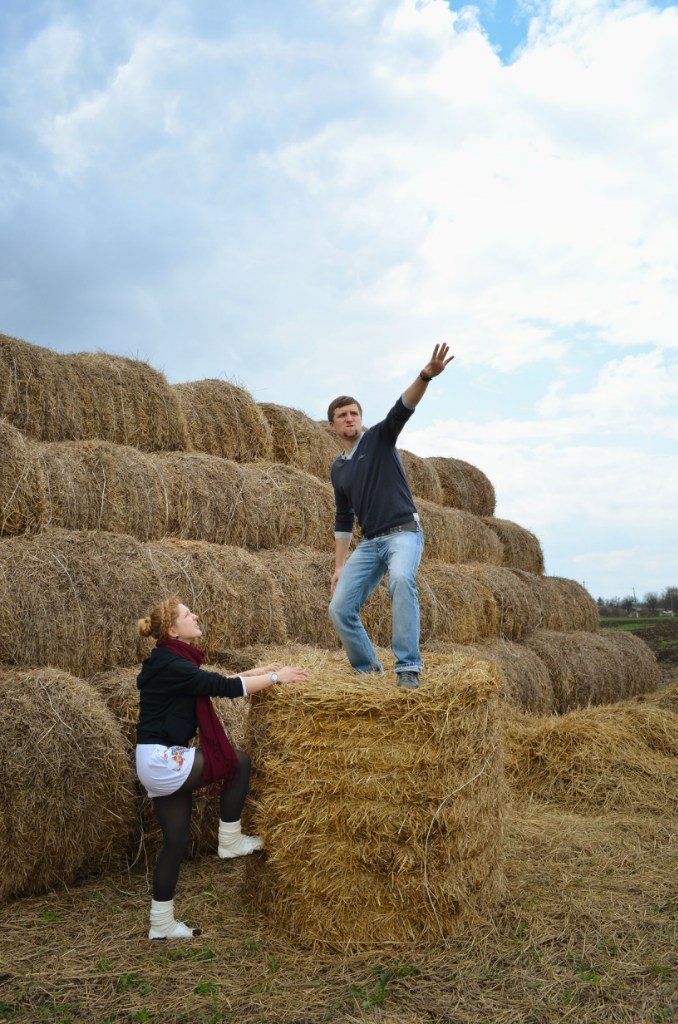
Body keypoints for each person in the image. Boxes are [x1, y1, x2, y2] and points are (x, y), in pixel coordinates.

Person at [136, 595, 307, 940]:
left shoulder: (170, 661)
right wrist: (277, 676)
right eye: (188, 614)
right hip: (161, 760)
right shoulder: (173, 664)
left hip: (154, 759)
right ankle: (230, 840)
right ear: (173, 629)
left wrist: (256, 673)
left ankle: (161, 924)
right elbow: (226, 689)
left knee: (176, 842)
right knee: (237, 762)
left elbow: (209, 683)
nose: (195, 616)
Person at [327, 342, 454, 688]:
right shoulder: (338, 469)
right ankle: (368, 672)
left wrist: (425, 376)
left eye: (354, 413)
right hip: (369, 543)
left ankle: (408, 667)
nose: (349, 418)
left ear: (360, 418)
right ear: (333, 426)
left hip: (403, 533)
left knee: (400, 579)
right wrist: (339, 565)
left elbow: (403, 407)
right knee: (339, 609)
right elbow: (343, 519)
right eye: (342, 415)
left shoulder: (380, 438)